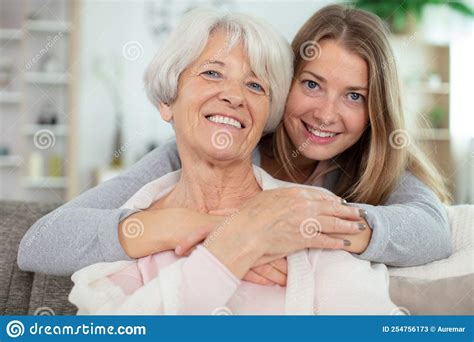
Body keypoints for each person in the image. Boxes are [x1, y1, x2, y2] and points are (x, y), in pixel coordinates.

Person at [18, 5, 451, 287]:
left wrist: (305, 226)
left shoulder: (376, 165)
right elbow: (43, 240)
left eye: (355, 95)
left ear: (376, 110)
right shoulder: (214, 150)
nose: (326, 113)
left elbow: (432, 231)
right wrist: (228, 228)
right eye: (312, 84)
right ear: (284, 87)